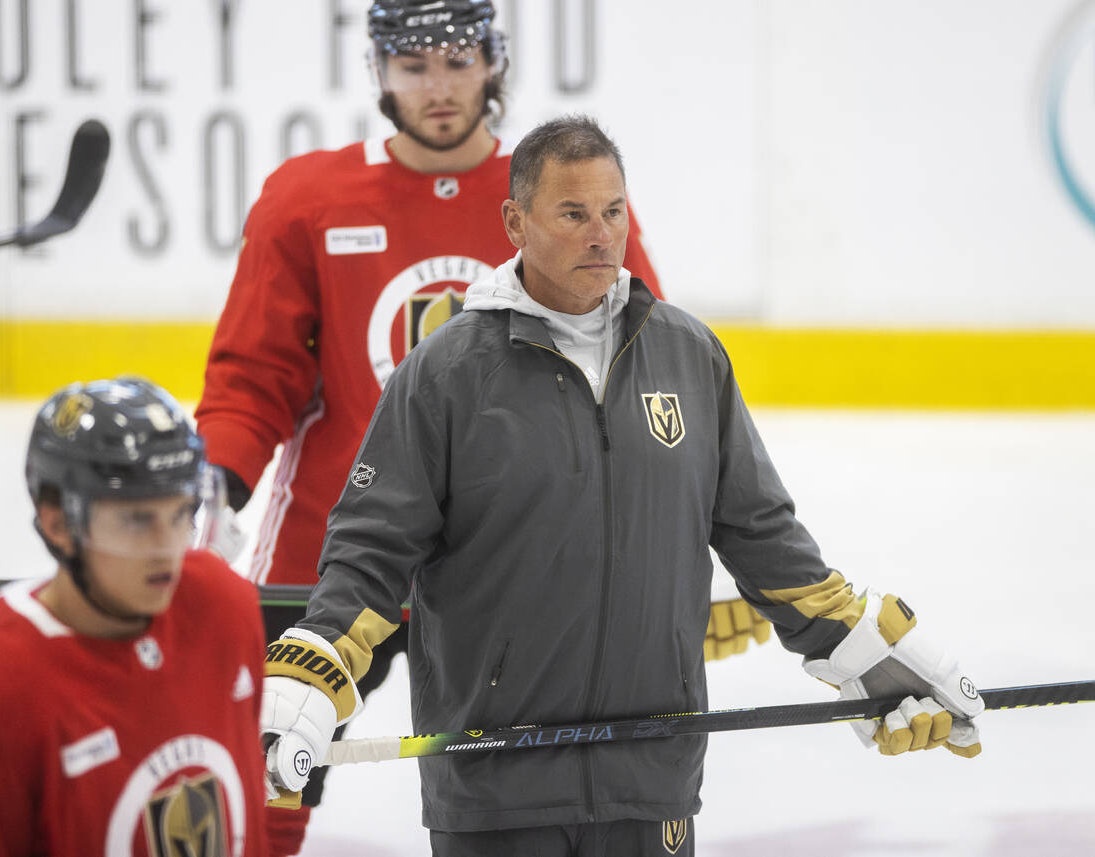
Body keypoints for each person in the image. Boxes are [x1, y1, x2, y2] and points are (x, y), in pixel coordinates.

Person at [255, 116, 986, 857]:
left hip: (653, 774)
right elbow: (371, 551)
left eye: (613, 212)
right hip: (496, 788)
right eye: (573, 214)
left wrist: (864, 650)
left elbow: (763, 537)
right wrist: (314, 664)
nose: (601, 235)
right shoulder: (445, 374)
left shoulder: (686, 353)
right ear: (516, 221)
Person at [194, 2, 718, 851]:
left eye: (455, 60)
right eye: (412, 65)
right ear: (377, 70)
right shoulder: (309, 199)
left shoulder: (557, 194)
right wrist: (213, 481)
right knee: (259, 782)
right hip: (337, 557)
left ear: (493, 62)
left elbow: (645, 369)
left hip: (509, 565)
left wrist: (689, 551)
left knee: (536, 800)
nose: (437, 86)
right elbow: (254, 377)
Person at [0, 378, 270, 856]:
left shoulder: (224, 606)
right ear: (58, 522)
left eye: (181, 513)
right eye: (137, 520)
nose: (166, 548)